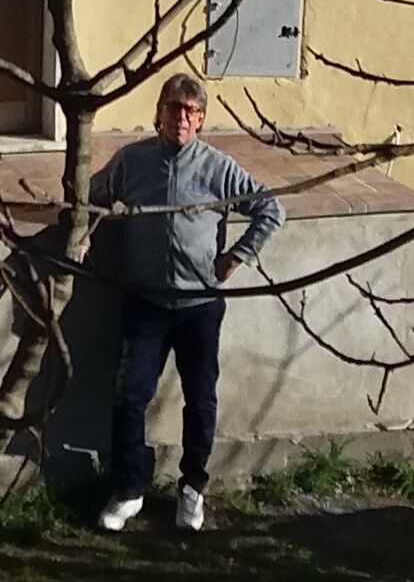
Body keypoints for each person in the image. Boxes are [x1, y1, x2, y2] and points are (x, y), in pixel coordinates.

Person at [87, 71, 282, 532]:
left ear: (202, 120)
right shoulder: (132, 163)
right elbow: (90, 198)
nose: (183, 119)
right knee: (129, 396)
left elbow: (271, 209)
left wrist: (237, 256)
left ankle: (192, 489)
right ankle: (129, 490)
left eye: (193, 112)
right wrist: (83, 236)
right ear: (159, 113)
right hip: (146, 301)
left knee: (200, 400)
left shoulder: (217, 168)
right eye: (175, 109)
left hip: (199, 305)